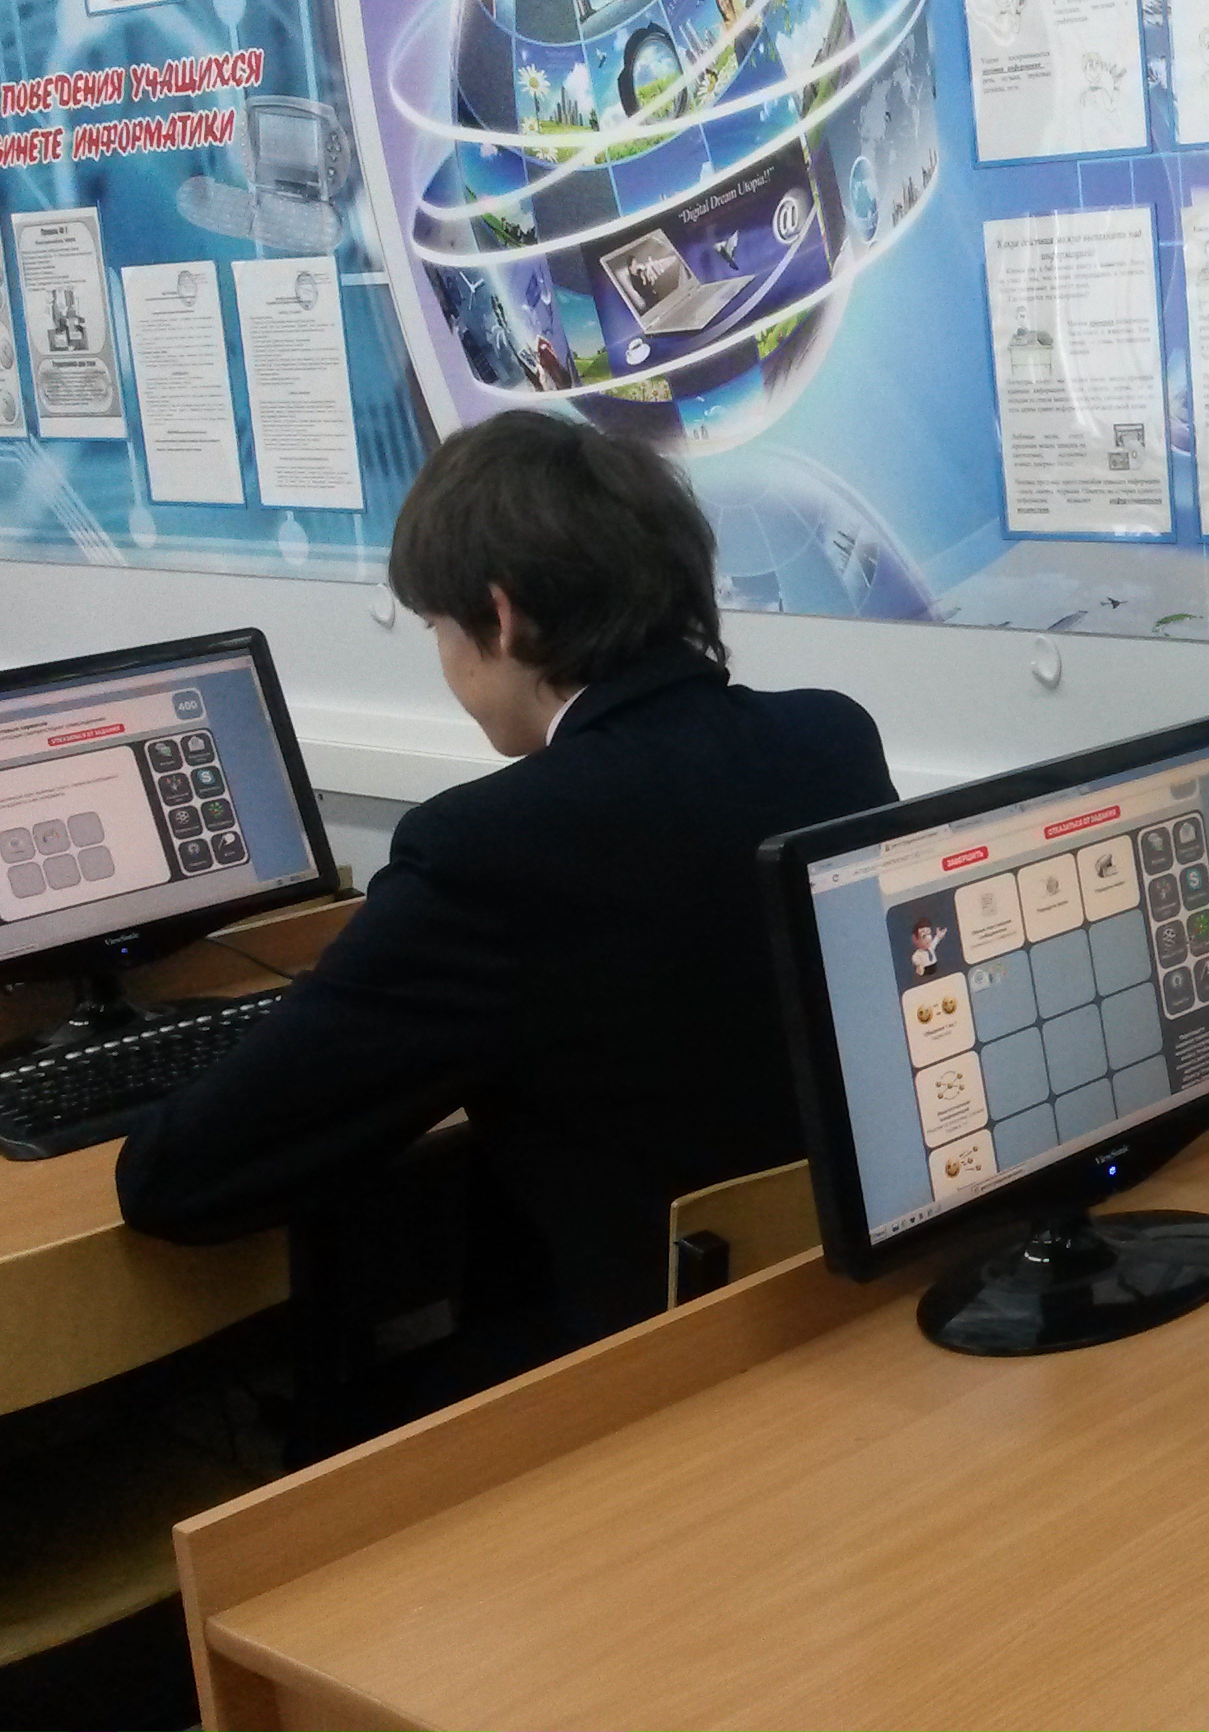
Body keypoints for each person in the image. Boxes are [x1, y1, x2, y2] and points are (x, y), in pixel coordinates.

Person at [117, 410, 895, 1375]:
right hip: (843, 1306)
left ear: (502, 616)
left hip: (626, 1371)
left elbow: (182, 1179)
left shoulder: (487, 847)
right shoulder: (831, 740)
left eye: (439, 628)